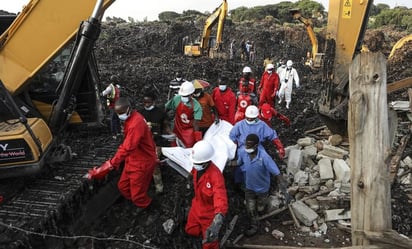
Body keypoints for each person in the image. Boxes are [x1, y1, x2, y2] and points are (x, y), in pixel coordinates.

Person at [87, 97, 158, 213]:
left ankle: (147, 207)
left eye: (121, 113)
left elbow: (127, 147)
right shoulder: (131, 119)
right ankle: (135, 201)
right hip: (133, 159)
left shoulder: (136, 124)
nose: (120, 116)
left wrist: (110, 164)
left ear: (129, 109)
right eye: (118, 113)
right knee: (123, 186)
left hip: (142, 162)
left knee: (137, 195)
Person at [237, 134, 290, 236]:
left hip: (262, 189)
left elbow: (276, 173)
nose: (247, 148)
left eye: (250, 146)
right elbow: (238, 163)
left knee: (261, 206)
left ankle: (262, 212)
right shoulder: (243, 153)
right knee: (251, 208)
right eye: (246, 146)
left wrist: (284, 189)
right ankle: (254, 225)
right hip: (249, 187)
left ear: (257, 146)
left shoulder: (264, 157)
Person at [185, 140, 228, 249]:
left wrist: (218, 219)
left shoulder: (216, 176)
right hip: (196, 206)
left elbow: (220, 197)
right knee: (191, 230)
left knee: (209, 243)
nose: (195, 166)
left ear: (207, 161)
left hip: (208, 214)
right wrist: (190, 177)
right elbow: (193, 171)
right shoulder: (197, 166)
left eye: (198, 164)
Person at [229, 105, 285, 188]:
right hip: (243, 147)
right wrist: (237, 144)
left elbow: (272, 135)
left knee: (266, 159)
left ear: (256, 117)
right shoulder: (240, 125)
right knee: (241, 164)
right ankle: (238, 183)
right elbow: (232, 135)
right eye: (248, 118)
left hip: (257, 147)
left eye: (252, 118)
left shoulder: (262, 125)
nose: (249, 120)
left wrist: (280, 147)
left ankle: (278, 177)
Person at [139, 90, 173, 194]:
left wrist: (171, 134)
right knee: (143, 164)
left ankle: (159, 186)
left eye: (149, 102)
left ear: (153, 102)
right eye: (144, 102)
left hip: (157, 142)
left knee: (154, 163)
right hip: (143, 143)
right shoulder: (140, 113)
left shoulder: (160, 113)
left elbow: (166, 126)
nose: (146, 104)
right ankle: (145, 184)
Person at [165, 81, 203, 148]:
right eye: (183, 96)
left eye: (186, 96)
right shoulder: (176, 99)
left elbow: (196, 123)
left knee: (188, 146)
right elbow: (166, 108)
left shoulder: (196, 105)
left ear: (191, 94)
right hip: (177, 128)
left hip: (189, 130)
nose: (183, 97)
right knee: (175, 146)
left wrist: (197, 137)